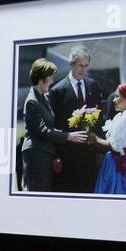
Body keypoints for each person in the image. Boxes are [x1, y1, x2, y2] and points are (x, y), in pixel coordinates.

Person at [21, 57, 87, 192]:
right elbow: (43, 130)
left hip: (44, 154)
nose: (52, 81)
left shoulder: (41, 98)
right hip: (37, 156)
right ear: (41, 79)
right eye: (50, 77)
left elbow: (50, 125)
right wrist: (68, 136)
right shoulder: (32, 102)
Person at [48, 45, 105, 193]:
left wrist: (100, 151)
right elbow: (53, 126)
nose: (83, 70)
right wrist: (56, 156)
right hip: (67, 155)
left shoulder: (93, 86)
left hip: (89, 155)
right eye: (80, 66)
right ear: (71, 64)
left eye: (86, 66)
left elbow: (99, 120)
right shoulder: (57, 90)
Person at [90, 84, 126, 195]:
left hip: (119, 165)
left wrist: (95, 139)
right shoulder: (119, 116)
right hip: (111, 163)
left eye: (118, 97)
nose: (114, 100)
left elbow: (116, 147)